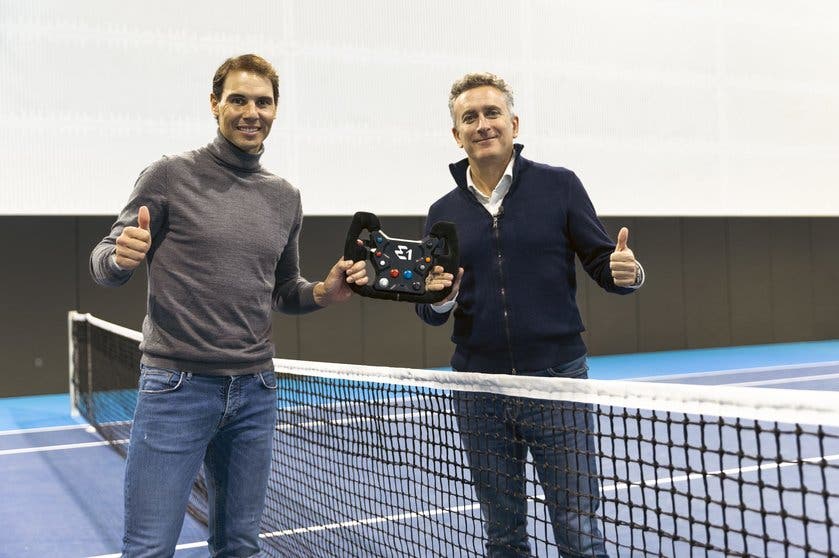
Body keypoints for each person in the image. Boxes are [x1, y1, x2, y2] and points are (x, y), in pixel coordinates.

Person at [90, 54, 367, 558]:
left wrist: (323, 293)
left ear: (276, 110)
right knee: (149, 549)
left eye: (263, 102)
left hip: (255, 391)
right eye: (238, 99)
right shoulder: (169, 175)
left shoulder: (285, 196)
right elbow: (104, 258)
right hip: (177, 388)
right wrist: (119, 259)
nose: (250, 112)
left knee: (240, 546)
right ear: (215, 104)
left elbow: (283, 290)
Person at [417, 72, 644, 558]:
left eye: (492, 113)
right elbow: (432, 310)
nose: (483, 124)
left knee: (579, 532)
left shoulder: (559, 186)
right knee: (503, 537)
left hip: (557, 383)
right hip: (479, 391)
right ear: (457, 135)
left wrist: (628, 271)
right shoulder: (442, 213)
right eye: (470, 118)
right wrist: (437, 299)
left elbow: (606, 266)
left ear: (513, 123)